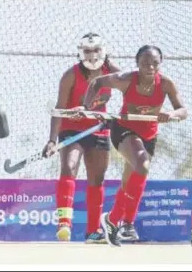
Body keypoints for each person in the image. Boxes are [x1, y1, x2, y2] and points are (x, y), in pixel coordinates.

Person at [81, 45, 188, 247]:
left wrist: (172, 115)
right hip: (124, 130)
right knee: (142, 163)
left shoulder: (166, 84)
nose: (150, 66)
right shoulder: (126, 79)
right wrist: (86, 108)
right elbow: (97, 82)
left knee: (130, 180)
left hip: (149, 136)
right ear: (137, 64)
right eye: (145, 63)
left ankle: (113, 220)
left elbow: (183, 110)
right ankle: (126, 223)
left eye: (155, 63)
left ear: (160, 64)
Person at [42, 32, 120, 243]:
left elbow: (131, 88)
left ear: (103, 51)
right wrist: (51, 140)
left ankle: (93, 231)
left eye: (96, 50)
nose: (93, 55)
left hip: (99, 128)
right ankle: (64, 224)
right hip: (72, 129)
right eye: (87, 51)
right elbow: (58, 109)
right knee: (69, 166)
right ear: (80, 52)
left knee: (97, 178)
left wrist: (118, 117)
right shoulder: (71, 75)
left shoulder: (111, 72)